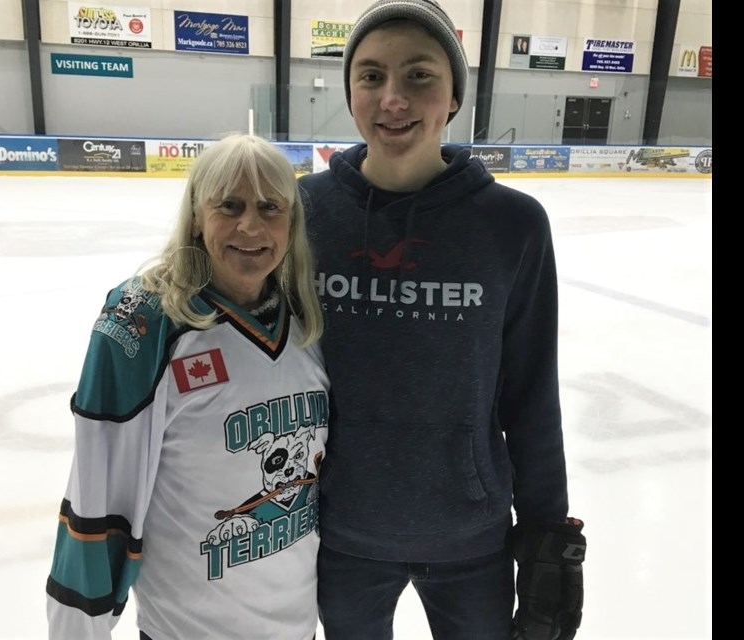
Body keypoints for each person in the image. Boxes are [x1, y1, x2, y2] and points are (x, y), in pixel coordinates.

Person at [299, 1, 586, 639]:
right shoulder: (301, 212)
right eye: (371, 76)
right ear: (350, 92)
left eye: (419, 76)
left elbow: (531, 390)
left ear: (454, 95)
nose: (393, 98)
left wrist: (547, 532)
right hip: (338, 532)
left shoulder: (512, 225)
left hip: (470, 536)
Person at [46, 133, 329, 640]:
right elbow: (96, 495)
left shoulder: (306, 321)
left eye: (270, 207)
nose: (250, 225)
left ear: (292, 222)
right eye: (229, 205)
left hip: (297, 628)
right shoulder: (146, 324)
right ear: (197, 215)